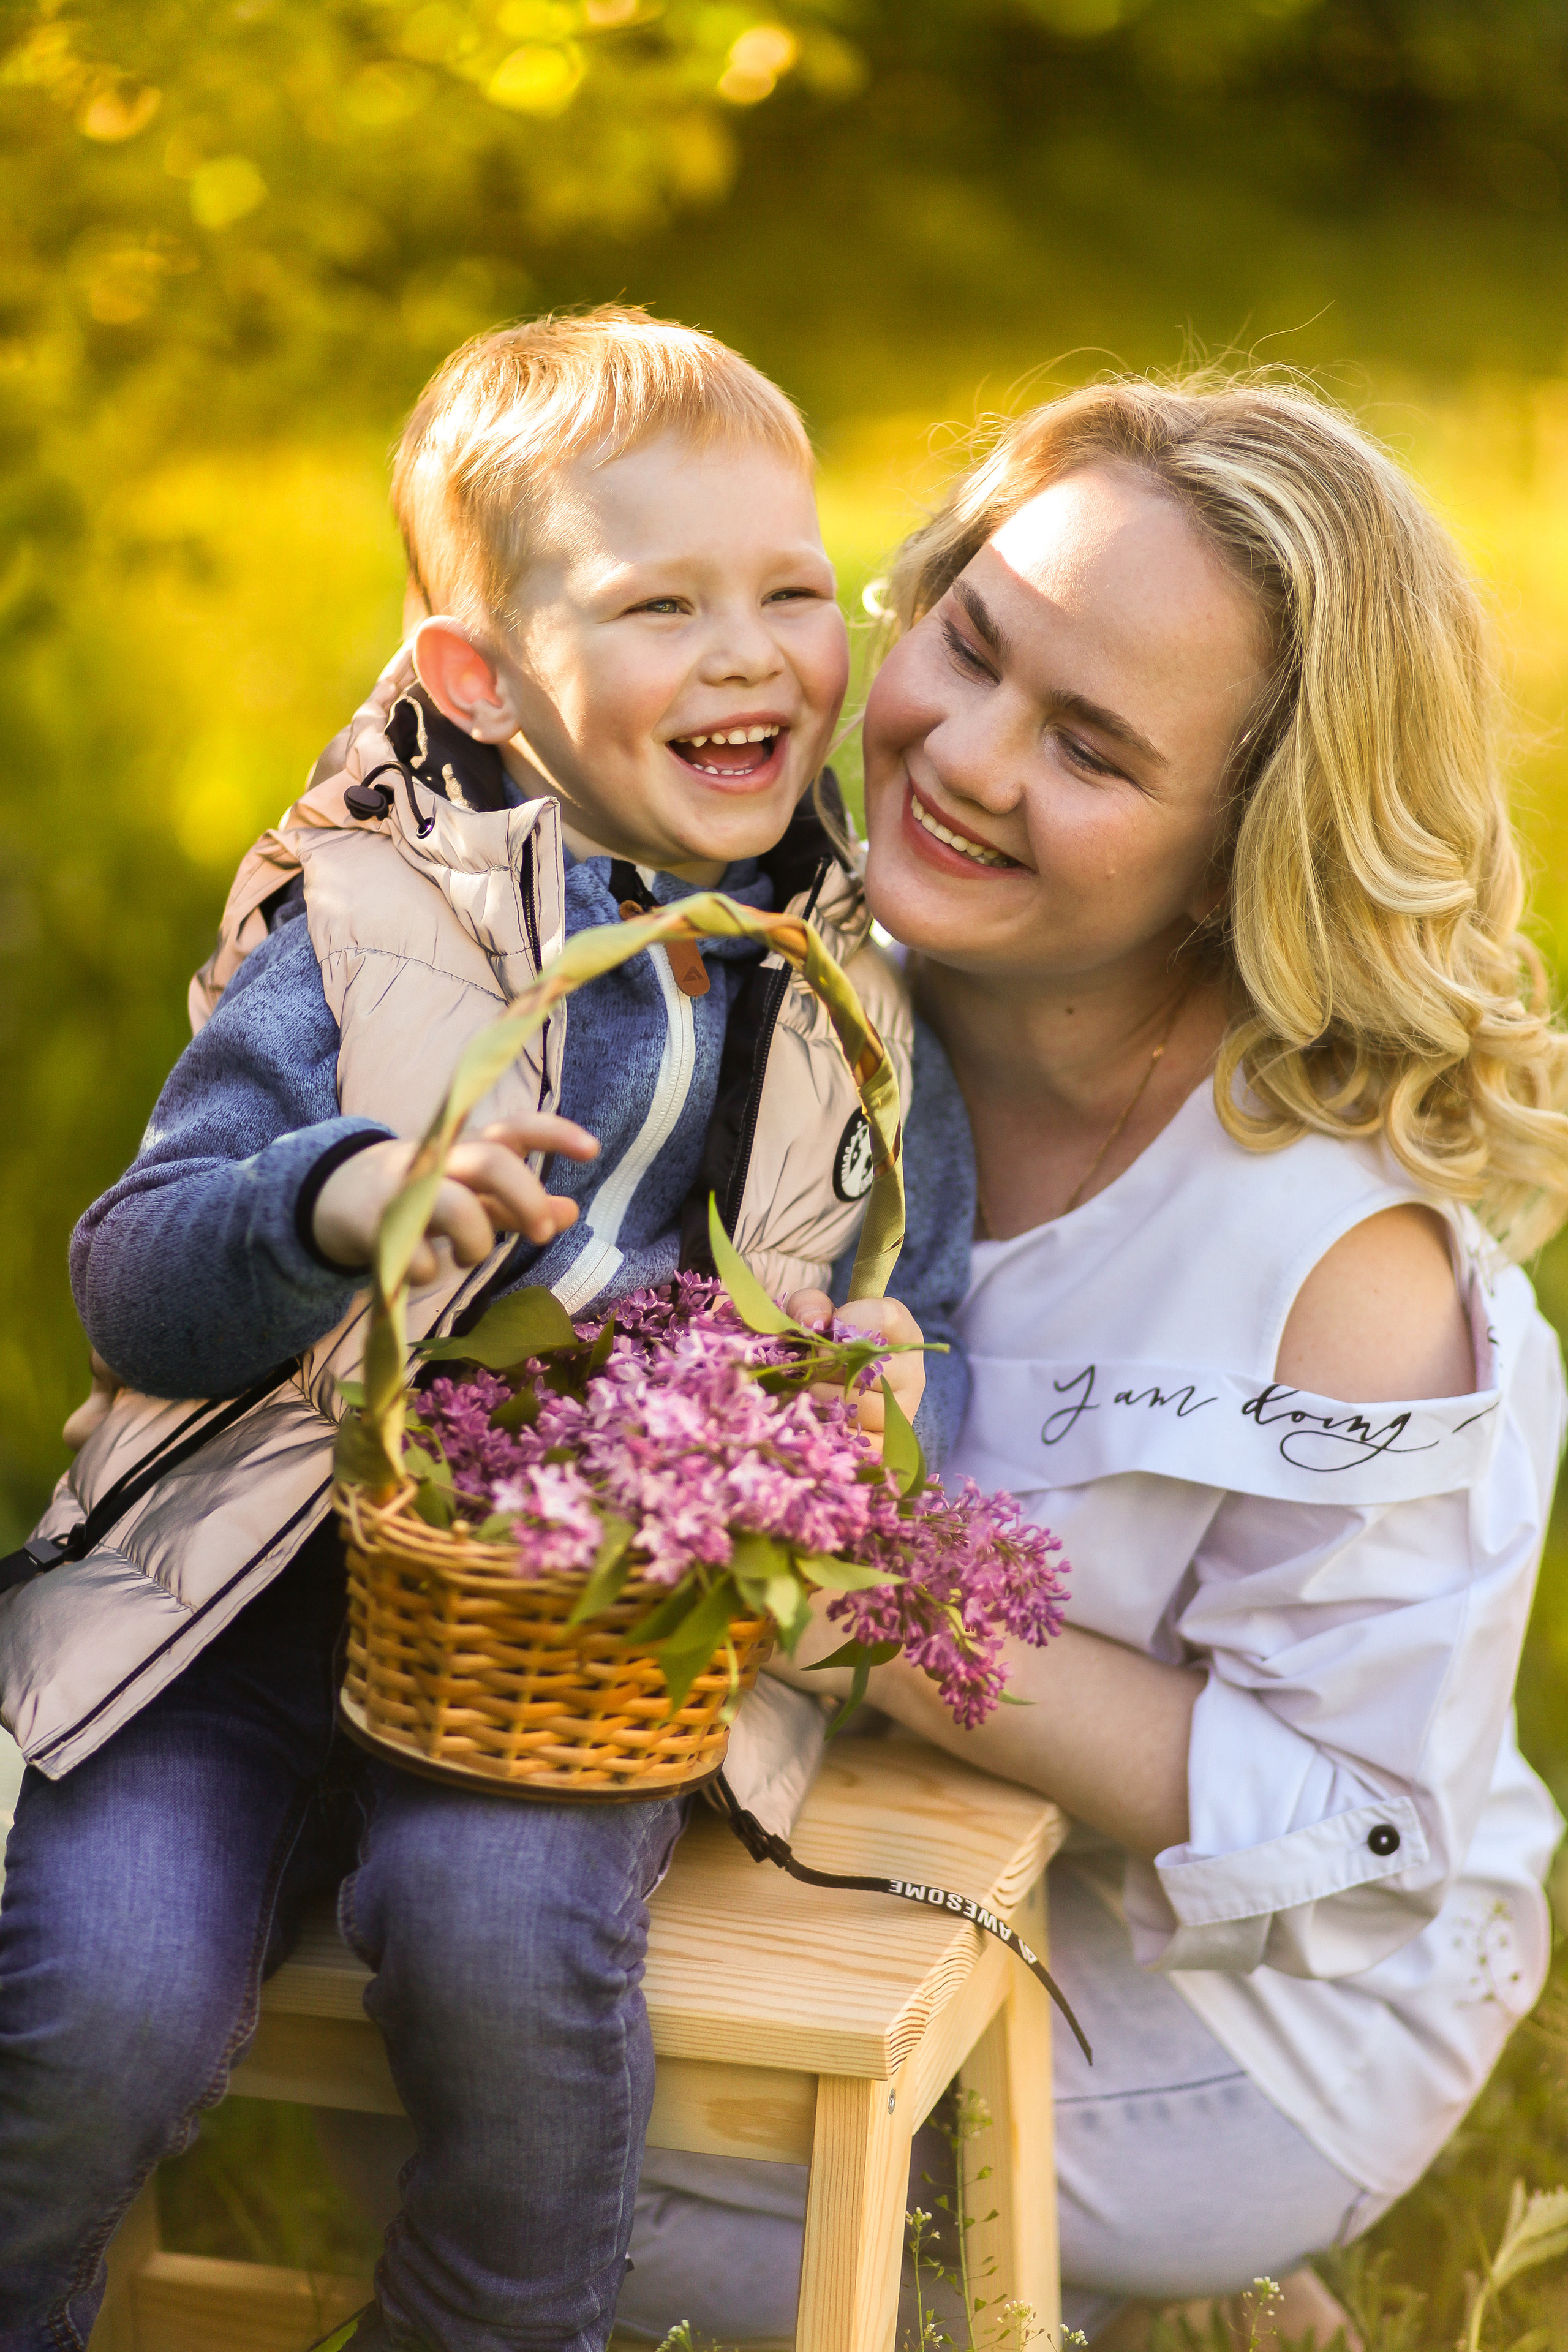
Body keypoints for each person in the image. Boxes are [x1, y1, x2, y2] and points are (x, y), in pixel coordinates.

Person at [0, 308, 976, 2352]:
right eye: (658, 605)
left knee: (502, 1936)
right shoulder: (362, 928)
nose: (749, 653)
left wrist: (891, 1402)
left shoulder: (854, 992)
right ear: (484, 678)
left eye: (793, 591)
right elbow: (137, 1276)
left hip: (576, 1655)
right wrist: (337, 1197)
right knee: (97, 1996)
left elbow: (912, 1301)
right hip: (233, 1620)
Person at [614, 375, 1568, 2348]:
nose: (959, 756)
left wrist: (851, 1582)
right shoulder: (803, 971)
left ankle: (1143, 2292)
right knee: (410, 2048)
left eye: (1092, 747)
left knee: (537, 2195)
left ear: (1241, 850)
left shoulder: (1336, 1266)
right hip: (893, 1841)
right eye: (970, 642)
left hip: (1244, 1998)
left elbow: (1342, 1818)